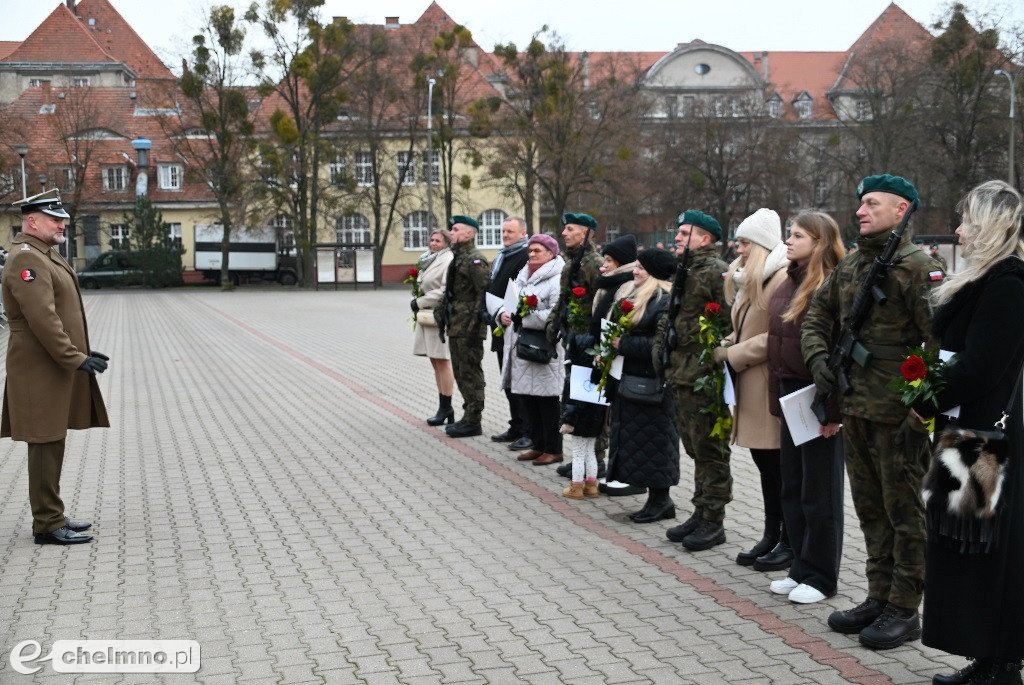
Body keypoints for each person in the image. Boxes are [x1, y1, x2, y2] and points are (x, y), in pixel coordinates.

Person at [802, 174, 942, 649]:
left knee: (904, 514)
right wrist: (821, 363)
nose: (861, 211)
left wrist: (918, 413)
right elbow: (817, 316)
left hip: (897, 416)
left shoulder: (917, 267)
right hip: (856, 407)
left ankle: (905, 608)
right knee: (870, 511)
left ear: (901, 210)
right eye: (860, 204)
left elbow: (938, 345)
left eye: (872, 204)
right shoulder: (855, 263)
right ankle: (878, 597)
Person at [913, 181, 1024, 685]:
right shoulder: (986, 282)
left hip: (982, 441)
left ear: (989, 225)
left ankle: (999, 663)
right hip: (966, 433)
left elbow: (981, 367)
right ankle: (986, 656)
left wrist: (924, 393)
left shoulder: (1007, 285)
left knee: (984, 554)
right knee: (964, 549)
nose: (958, 230)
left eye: (966, 221)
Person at [1, 189, 109, 545]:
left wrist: (79, 353)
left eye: (62, 218)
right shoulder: (25, 259)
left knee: (53, 438)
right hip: (38, 366)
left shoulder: (43, 254)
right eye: (54, 219)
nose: (62, 223)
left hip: (50, 363)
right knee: (44, 440)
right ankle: (47, 524)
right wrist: (75, 357)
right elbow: (43, 319)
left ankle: (53, 513)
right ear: (32, 221)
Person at [766, 212, 846, 605]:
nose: (789, 240)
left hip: (818, 394)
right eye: (789, 234)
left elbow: (835, 351)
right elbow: (775, 346)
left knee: (820, 490)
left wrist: (833, 411)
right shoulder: (789, 280)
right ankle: (800, 565)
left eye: (798, 235)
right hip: (790, 393)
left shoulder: (832, 282)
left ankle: (822, 575)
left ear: (820, 241)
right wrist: (775, 401)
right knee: (793, 486)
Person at [715, 208, 791, 571]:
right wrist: (724, 341)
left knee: (776, 466)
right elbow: (745, 326)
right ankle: (771, 533)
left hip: (765, 385)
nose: (738, 248)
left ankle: (786, 539)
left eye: (744, 242)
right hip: (749, 381)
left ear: (760, 244)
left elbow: (776, 336)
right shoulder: (754, 278)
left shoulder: (778, 279)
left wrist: (733, 352)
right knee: (765, 466)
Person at [655, 210, 732, 551]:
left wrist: (713, 357)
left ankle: (714, 519)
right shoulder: (686, 271)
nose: (678, 238)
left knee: (711, 449)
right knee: (695, 446)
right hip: (682, 371)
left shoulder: (716, 272)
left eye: (686, 233)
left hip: (704, 374)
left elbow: (730, 322)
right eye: (679, 232)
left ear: (705, 239)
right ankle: (700, 510)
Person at [604, 248, 679, 521]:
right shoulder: (639, 295)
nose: (635, 271)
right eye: (635, 266)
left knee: (656, 445)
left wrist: (622, 344)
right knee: (641, 445)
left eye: (641, 268)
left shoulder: (663, 300)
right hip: (633, 383)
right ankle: (655, 500)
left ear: (655, 274)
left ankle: (661, 501)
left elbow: (661, 346)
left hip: (652, 388)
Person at [558, 234, 637, 488]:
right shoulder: (608, 283)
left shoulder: (626, 286)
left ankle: (618, 473)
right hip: (601, 356)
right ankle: (602, 470)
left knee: (614, 419)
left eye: (610, 261)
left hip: (617, 360)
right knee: (602, 417)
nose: (604, 266)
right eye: (604, 259)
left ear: (622, 263)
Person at [547, 213, 607, 470]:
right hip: (573, 341)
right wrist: (552, 326)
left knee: (591, 400)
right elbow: (564, 299)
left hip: (588, 343)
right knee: (575, 399)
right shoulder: (571, 262)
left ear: (584, 234)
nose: (564, 233)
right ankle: (581, 457)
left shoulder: (594, 263)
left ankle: (597, 459)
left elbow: (602, 303)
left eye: (570, 229)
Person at [500, 234, 566, 466]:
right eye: (530, 250)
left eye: (538, 250)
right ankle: (537, 445)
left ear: (551, 253)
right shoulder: (523, 274)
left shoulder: (557, 278)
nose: (532, 254)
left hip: (543, 347)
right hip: (521, 346)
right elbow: (508, 301)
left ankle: (554, 448)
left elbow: (555, 313)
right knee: (529, 398)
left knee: (547, 401)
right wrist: (503, 314)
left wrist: (523, 318)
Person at [438, 215, 490, 438]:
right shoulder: (458, 257)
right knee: (460, 371)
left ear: (469, 233)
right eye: (452, 230)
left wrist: (474, 326)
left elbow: (483, 292)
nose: (452, 233)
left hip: (468, 327)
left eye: (457, 230)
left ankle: (474, 419)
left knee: (470, 372)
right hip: (457, 325)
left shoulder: (475, 259)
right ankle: (467, 415)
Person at [485, 217, 532, 448]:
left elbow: (518, 290)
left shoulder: (524, 256)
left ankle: (527, 429)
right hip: (499, 323)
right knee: (507, 380)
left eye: (510, 231)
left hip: (513, 326)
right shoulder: (504, 254)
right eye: (503, 230)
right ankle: (516, 425)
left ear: (523, 233)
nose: (505, 235)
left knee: (518, 380)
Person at [412, 228, 456, 426]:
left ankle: (447, 406)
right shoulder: (428, 258)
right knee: (434, 360)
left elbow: (445, 289)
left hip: (438, 316)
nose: (433, 243)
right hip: (427, 316)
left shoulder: (447, 259)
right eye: (432, 240)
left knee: (443, 360)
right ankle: (442, 405)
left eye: (438, 240)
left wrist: (420, 301)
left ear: (446, 242)